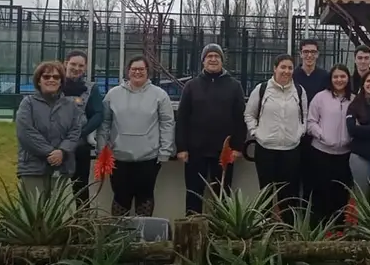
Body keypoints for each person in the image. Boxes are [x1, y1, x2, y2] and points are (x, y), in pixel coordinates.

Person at [96, 55, 175, 217]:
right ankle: (118, 236)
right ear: (128, 71)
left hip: (149, 158)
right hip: (119, 158)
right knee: (120, 198)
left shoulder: (160, 95)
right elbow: (104, 123)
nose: (137, 72)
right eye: (134, 69)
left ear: (148, 72)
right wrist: (101, 149)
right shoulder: (113, 94)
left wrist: (165, 151)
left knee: (145, 197)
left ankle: (143, 238)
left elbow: (167, 123)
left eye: (141, 69)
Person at [175, 43, 248, 216]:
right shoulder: (191, 86)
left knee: (222, 195)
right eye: (209, 56)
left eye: (217, 56)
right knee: (194, 194)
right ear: (203, 61)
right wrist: (182, 147)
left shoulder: (234, 86)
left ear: (222, 61)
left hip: (224, 152)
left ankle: (221, 232)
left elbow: (240, 118)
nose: (213, 59)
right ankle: (192, 231)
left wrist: (237, 147)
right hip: (195, 151)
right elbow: (182, 119)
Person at [244, 54, 308, 214]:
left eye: (290, 68)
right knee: (265, 194)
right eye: (283, 67)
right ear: (275, 68)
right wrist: (256, 132)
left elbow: (305, 116)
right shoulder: (262, 89)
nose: (286, 71)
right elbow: (249, 114)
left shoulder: (299, 91)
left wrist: (299, 132)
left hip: (291, 151)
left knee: (288, 196)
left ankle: (288, 232)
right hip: (266, 150)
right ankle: (263, 229)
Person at [16, 61, 82, 196]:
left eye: (56, 77)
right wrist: (51, 153)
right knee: (34, 213)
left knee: (63, 214)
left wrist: (63, 151)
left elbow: (75, 132)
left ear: (61, 82)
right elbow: (26, 133)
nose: (51, 79)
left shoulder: (71, 105)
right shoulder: (28, 103)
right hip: (33, 169)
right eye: (46, 77)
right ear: (39, 81)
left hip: (62, 168)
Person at [306, 64, 353, 224]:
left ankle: (338, 229)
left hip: (344, 155)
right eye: (336, 77)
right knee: (320, 193)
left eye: (342, 76)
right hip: (320, 153)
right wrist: (322, 135)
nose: (339, 80)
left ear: (348, 78)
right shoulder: (320, 97)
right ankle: (317, 229)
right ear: (331, 79)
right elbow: (310, 121)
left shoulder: (353, 99)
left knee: (340, 194)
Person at [60, 50, 103, 205]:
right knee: (52, 185)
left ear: (85, 68)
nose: (76, 68)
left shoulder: (91, 89)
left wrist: (81, 133)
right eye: (73, 64)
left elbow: (98, 114)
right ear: (66, 64)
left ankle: (82, 222)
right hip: (53, 144)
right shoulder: (54, 84)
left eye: (81, 65)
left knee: (80, 187)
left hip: (80, 146)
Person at [292, 39, 331, 202]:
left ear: (318, 54)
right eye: (306, 52)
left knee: (314, 177)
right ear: (300, 54)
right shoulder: (292, 75)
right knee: (294, 176)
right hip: (294, 132)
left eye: (313, 52)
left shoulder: (324, 76)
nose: (309, 55)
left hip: (317, 134)